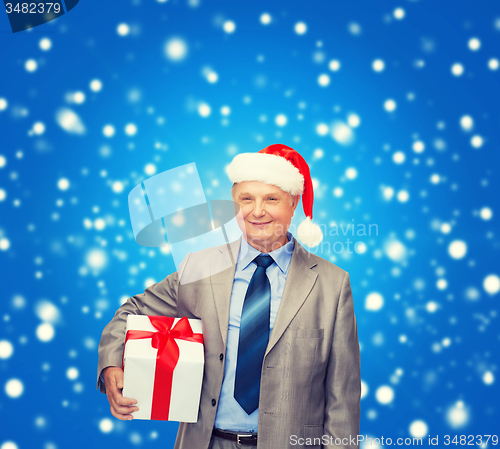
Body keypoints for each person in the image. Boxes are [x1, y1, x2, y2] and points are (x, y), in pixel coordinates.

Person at [97, 143, 361, 449]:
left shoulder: (332, 284)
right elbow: (131, 312)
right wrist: (112, 364)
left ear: (293, 203)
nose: (257, 211)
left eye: (271, 199)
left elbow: (342, 399)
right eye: (246, 199)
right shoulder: (200, 267)